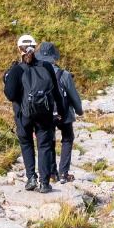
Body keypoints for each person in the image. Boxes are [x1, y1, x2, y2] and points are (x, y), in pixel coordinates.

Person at [39, 41, 86, 183]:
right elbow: (73, 95)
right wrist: (79, 111)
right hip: (64, 113)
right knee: (67, 138)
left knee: (49, 140)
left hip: (45, 113)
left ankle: (52, 173)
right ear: (54, 57)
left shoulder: (38, 72)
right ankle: (64, 173)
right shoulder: (64, 74)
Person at [1, 34, 41, 189]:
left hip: (22, 114)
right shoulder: (43, 66)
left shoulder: (16, 70)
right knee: (43, 144)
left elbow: (10, 95)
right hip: (42, 113)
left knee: (26, 144)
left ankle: (31, 177)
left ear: (19, 49)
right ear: (35, 47)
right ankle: (46, 178)